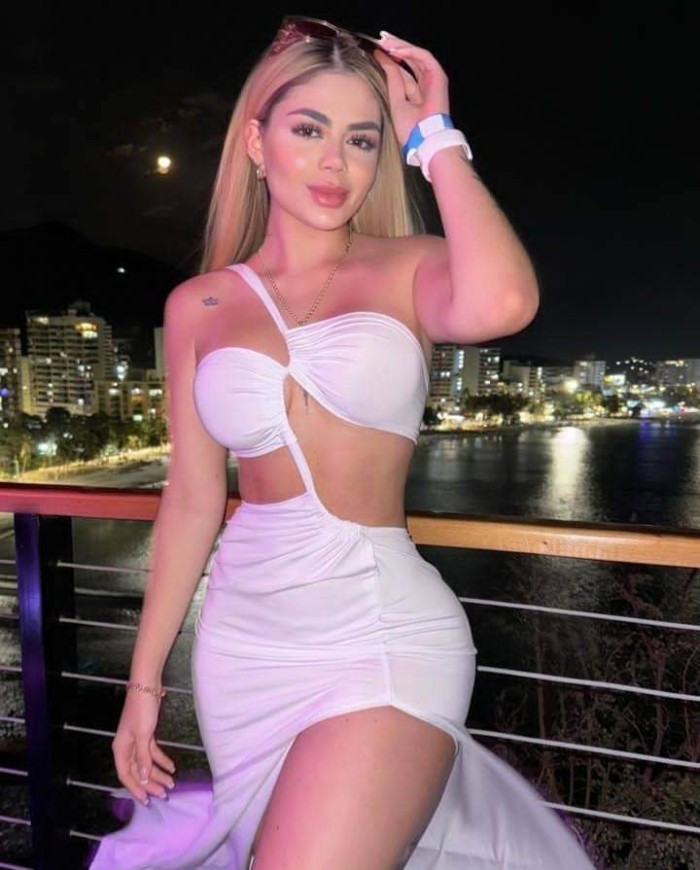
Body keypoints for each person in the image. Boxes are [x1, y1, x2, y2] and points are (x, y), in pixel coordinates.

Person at [89, 16, 596, 869]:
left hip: (382, 635)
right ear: (256, 143)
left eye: (361, 139)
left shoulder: (409, 266)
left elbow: (506, 302)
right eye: (309, 130)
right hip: (245, 647)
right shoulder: (199, 306)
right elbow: (193, 499)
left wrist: (434, 137)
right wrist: (144, 686)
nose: (336, 163)